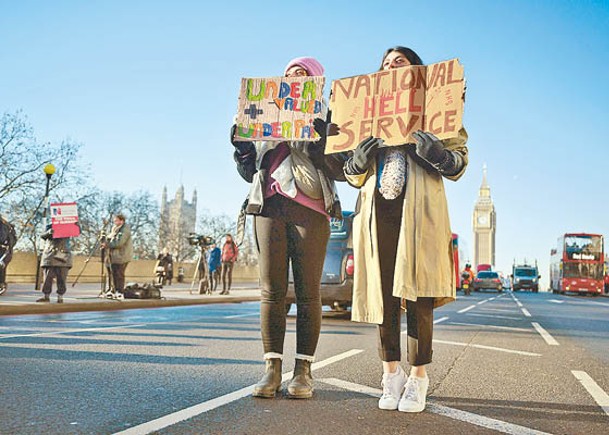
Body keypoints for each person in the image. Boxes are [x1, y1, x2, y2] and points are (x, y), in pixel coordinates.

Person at [343, 46, 468, 413]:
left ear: (417, 71)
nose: (390, 66)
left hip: (420, 212)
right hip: (377, 212)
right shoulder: (366, 117)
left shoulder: (439, 112)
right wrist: (358, 161)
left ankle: (418, 379)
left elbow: (459, 162)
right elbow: (353, 175)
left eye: (399, 62)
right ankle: (390, 373)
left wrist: (440, 155)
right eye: (384, 64)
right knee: (382, 296)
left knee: (419, 296)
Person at [232, 56, 346, 399]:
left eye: (302, 74)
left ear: (315, 81)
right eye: (288, 74)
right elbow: (249, 172)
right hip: (268, 207)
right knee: (272, 291)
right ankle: (272, 369)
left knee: (309, 291)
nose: (293, 77)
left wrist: (316, 138)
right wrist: (241, 148)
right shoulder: (264, 113)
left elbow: (340, 169)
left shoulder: (330, 116)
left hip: (310, 209)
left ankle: (303, 372)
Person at [36, 225, 73, 303]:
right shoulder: (49, 226)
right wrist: (49, 232)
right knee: (47, 278)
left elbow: (77, 231)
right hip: (50, 255)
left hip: (63, 255)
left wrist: (76, 224)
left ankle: (60, 297)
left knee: (62, 279)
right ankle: (46, 296)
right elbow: (43, 236)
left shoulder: (69, 226)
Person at [103, 213, 133, 297]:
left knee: (119, 274)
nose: (114, 222)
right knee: (111, 273)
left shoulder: (125, 230)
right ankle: (112, 290)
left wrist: (108, 245)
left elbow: (119, 242)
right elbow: (110, 239)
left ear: (121, 221)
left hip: (121, 256)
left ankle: (119, 291)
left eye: (116, 220)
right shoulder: (115, 229)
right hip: (113, 256)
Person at [0, 215, 17, 296]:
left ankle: (1, 284)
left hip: (5, 251)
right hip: (5, 250)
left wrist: (8, 246)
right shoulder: (9, 227)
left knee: (1, 265)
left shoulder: (8, 227)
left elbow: (12, 240)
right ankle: (2, 284)